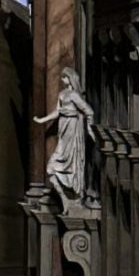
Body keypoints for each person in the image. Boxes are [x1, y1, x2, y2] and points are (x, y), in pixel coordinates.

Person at [34, 67, 95, 213]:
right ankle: (64, 200)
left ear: (70, 78)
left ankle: (74, 196)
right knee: (51, 168)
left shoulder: (74, 96)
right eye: (62, 78)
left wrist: (89, 128)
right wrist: (43, 120)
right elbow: (57, 112)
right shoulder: (62, 94)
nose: (62, 80)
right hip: (63, 130)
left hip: (73, 131)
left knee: (69, 164)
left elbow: (89, 111)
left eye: (64, 77)